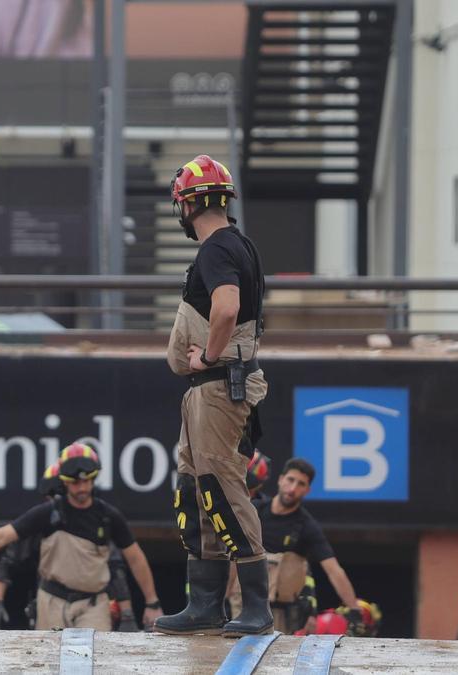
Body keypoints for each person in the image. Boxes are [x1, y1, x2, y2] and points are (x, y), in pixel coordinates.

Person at [153, 155, 272, 638]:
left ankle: (256, 607)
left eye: (179, 204)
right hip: (208, 390)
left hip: (220, 385)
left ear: (189, 204)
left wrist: (207, 357)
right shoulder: (234, 244)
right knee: (194, 489)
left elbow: (226, 308)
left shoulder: (217, 249)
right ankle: (203, 604)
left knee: (222, 488)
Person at [0, 444, 162, 630]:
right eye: (75, 482)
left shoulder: (108, 517)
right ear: (65, 482)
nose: (82, 487)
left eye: (87, 481)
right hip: (52, 603)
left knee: (95, 662)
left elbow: (134, 558)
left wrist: (151, 603)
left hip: (93, 605)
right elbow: (2, 536)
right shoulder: (46, 514)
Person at [0, 462, 139, 631]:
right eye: (51, 495)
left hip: (92, 607)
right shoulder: (40, 520)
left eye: (60, 494)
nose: (57, 500)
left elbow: (115, 567)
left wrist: (127, 613)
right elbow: (8, 562)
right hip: (50, 605)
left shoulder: (98, 522)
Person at [228, 458, 367, 634]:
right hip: (242, 607)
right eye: (290, 480)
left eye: (301, 484)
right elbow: (232, 555)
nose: (293, 488)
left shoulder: (306, 527)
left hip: (280, 614)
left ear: (307, 490)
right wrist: (221, 601)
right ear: (280, 479)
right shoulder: (253, 511)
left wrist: (354, 609)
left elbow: (334, 570)